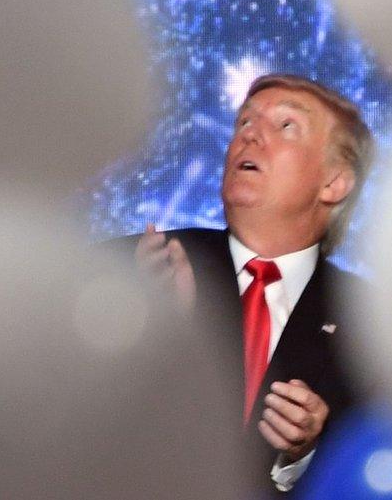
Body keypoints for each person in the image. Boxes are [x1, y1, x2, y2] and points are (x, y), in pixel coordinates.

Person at [118, 73, 375, 495]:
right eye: (244, 122)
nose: (250, 135)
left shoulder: (370, 327)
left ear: (333, 182)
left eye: (285, 125)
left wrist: (303, 456)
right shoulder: (131, 265)